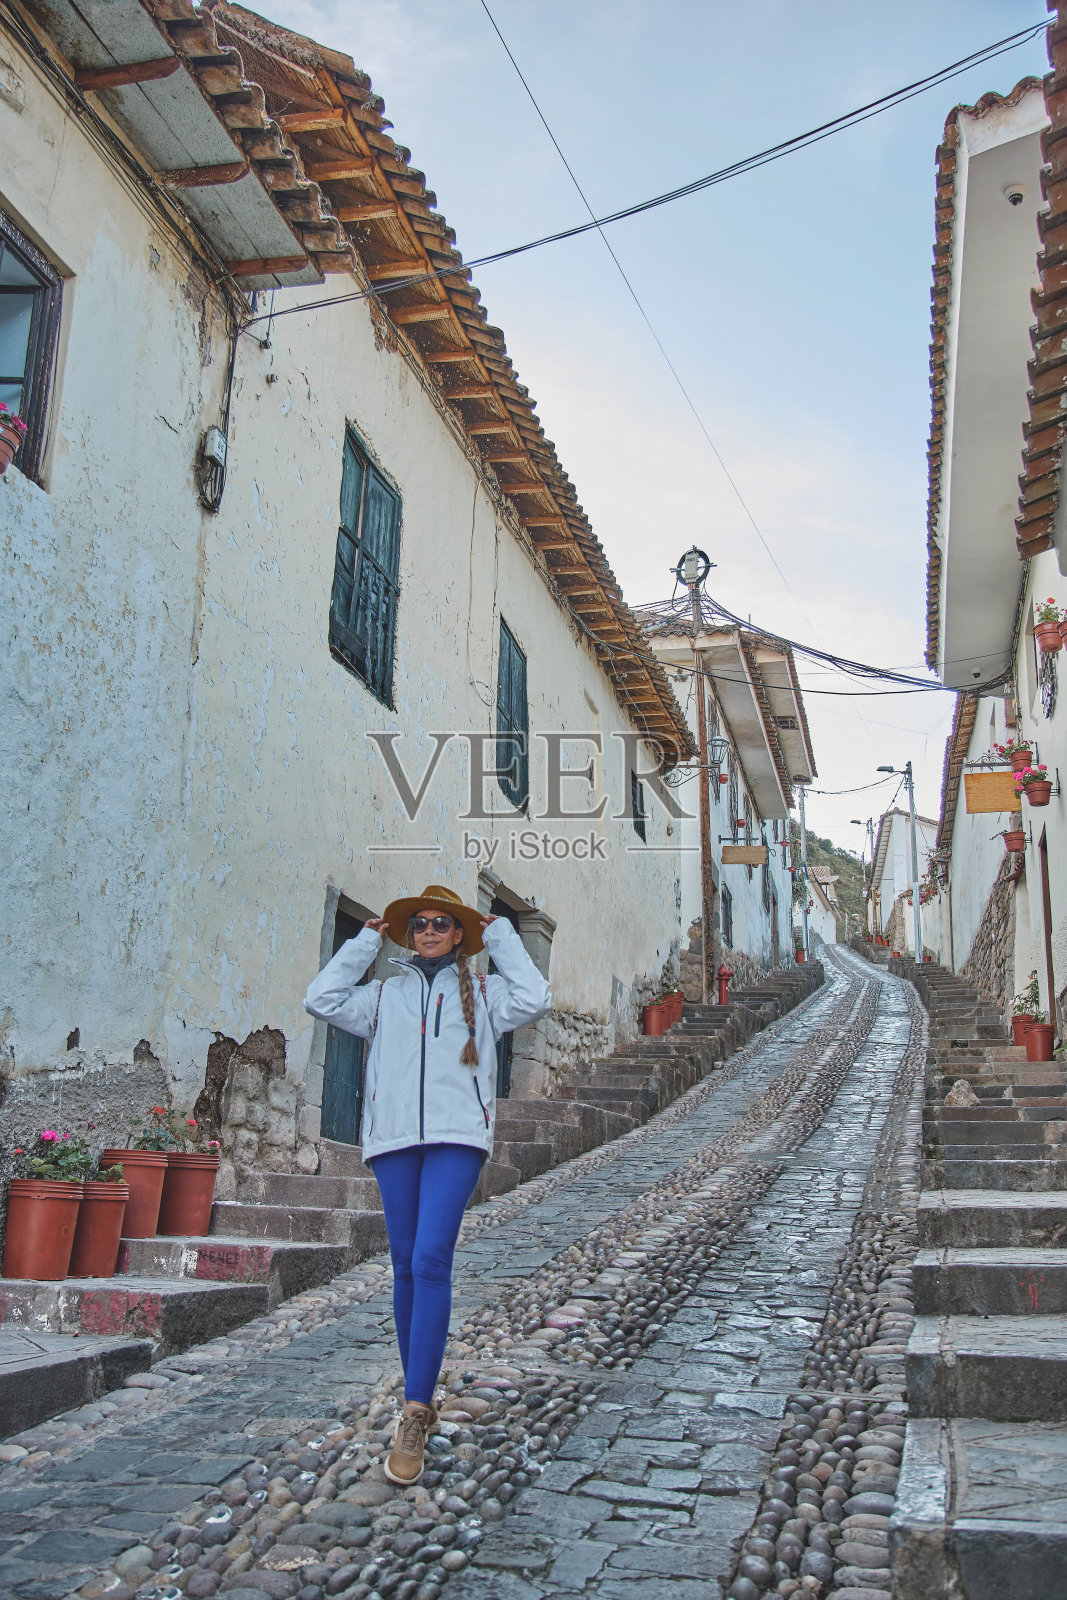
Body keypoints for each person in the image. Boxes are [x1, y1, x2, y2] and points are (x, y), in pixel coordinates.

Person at [304, 884, 551, 1485]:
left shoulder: (487, 994)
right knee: (406, 1266)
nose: (430, 932)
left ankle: (414, 1410)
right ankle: (420, 1391)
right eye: (419, 925)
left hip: (455, 1138)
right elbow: (321, 998)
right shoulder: (383, 996)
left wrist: (501, 935)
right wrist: (366, 937)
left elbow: (537, 996)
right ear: (407, 934)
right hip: (392, 1140)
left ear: (459, 934)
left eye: (442, 924)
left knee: (432, 1258)